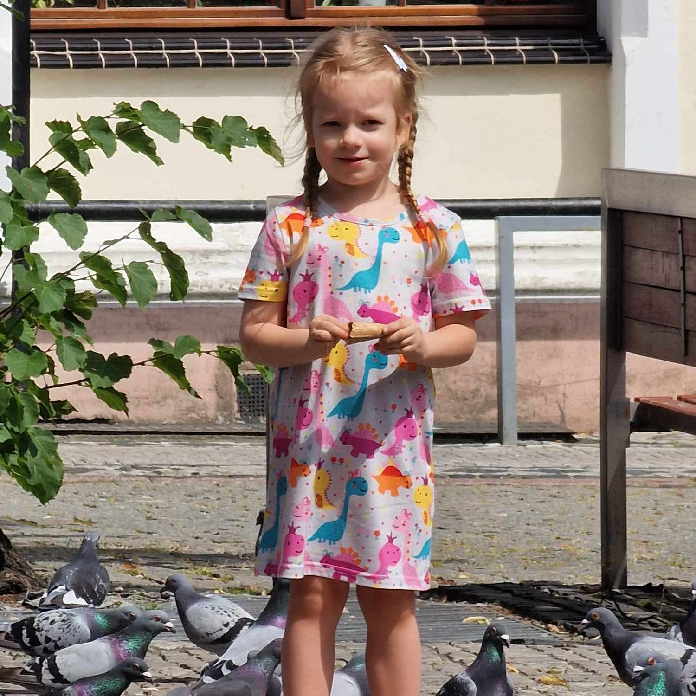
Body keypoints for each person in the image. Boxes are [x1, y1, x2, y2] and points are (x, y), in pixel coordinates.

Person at [238, 27, 491, 696]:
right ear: (311, 130)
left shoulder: (435, 227)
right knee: (312, 595)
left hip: (392, 448)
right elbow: (255, 335)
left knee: (391, 598)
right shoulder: (289, 225)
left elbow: (462, 336)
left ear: (403, 128)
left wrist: (424, 343)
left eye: (370, 122)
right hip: (310, 446)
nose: (351, 139)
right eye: (333, 123)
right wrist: (305, 341)